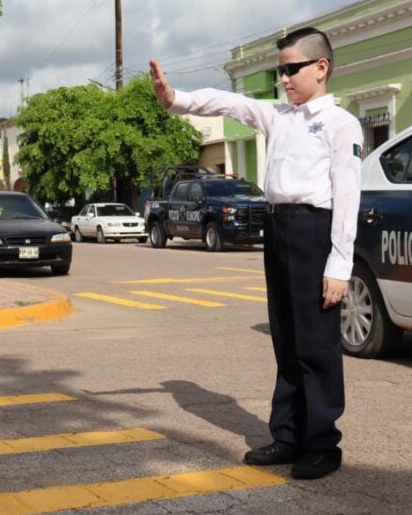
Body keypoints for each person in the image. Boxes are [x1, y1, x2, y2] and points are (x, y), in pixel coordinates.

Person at [150, 27, 363, 480]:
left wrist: (339, 266)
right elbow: (229, 103)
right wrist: (175, 99)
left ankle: (322, 443)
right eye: (278, 71)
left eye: (291, 70)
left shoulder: (342, 124)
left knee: (316, 344)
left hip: (314, 230)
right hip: (279, 226)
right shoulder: (279, 117)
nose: (283, 79)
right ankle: (287, 436)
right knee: (285, 339)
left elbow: (348, 197)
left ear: (320, 68)